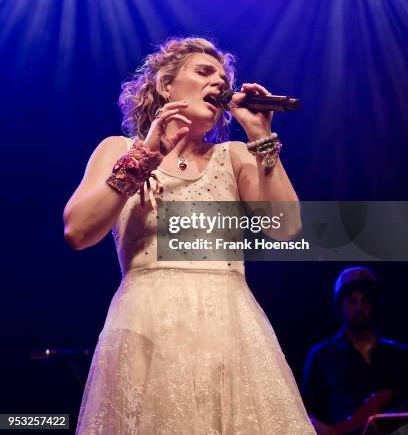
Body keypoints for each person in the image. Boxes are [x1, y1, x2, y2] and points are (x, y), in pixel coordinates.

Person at [64, 36, 315, 434]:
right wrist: (142, 159)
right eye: (203, 72)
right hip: (148, 323)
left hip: (230, 326)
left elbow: (287, 228)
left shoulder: (234, 157)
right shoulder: (118, 149)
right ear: (166, 86)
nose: (218, 81)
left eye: (223, 77)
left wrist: (261, 138)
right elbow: (77, 231)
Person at [302, 267, 408, 435]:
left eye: (365, 300)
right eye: (352, 300)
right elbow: (305, 411)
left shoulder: (400, 355)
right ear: (340, 306)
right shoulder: (322, 355)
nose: (359, 307)